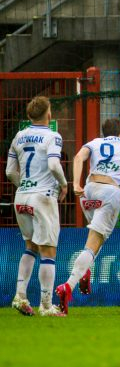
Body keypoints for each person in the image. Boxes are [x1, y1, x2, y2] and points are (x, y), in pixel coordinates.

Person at [55, 118, 120, 314]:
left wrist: (76, 184)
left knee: (95, 240)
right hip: (110, 192)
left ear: (104, 133)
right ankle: (67, 287)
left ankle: (85, 271)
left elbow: (78, 158)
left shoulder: (95, 142)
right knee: (93, 243)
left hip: (88, 191)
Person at [5, 96, 66, 317]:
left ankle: (20, 296)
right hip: (43, 196)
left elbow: (10, 172)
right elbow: (53, 164)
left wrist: (25, 185)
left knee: (30, 246)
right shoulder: (53, 136)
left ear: (30, 115)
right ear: (48, 114)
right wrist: (64, 183)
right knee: (48, 251)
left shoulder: (19, 137)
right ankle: (47, 306)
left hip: (21, 196)